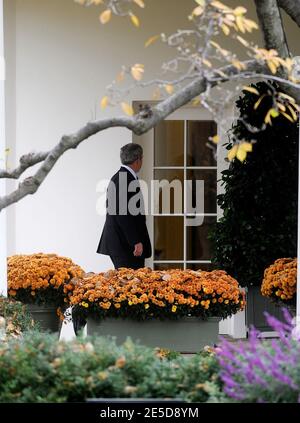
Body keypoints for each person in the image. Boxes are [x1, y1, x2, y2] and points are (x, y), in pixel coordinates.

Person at [96, 143, 152, 269]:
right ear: (138, 160)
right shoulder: (124, 179)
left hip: (122, 242)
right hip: (125, 245)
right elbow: (123, 215)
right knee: (131, 284)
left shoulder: (121, 177)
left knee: (131, 283)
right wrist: (135, 241)